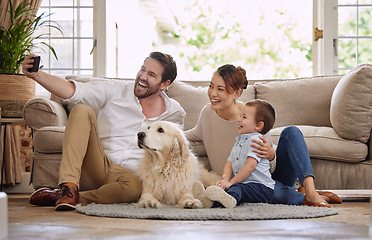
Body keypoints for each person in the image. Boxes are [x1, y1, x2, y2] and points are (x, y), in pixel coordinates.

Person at [23, 52, 186, 211]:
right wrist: (37, 75)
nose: (143, 76)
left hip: (129, 177)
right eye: (142, 69)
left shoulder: (174, 113)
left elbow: (175, 151)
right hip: (98, 163)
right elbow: (73, 91)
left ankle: (73, 197)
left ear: (165, 84)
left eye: (151, 74)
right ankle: (68, 187)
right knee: (81, 111)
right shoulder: (116, 90)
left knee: (137, 187)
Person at [186, 64, 341, 207]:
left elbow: (268, 167)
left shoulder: (251, 117)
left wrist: (272, 155)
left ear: (237, 93)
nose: (213, 93)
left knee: (291, 132)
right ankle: (303, 194)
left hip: (265, 182)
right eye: (211, 86)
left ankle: (311, 192)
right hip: (236, 186)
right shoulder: (207, 113)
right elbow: (189, 136)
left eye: (220, 89)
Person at [193, 100, 277, 208]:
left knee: (236, 188)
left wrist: (231, 182)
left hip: (262, 189)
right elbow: (229, 164)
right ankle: (207, 195)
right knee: (230, 187)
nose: (239, 119)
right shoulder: (239, 142)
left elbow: (250, 166)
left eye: (244, 117)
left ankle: (219, 202)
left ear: (259, 126)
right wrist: (224, 180)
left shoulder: (256, 141)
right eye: (240, 116)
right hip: (245, 185)